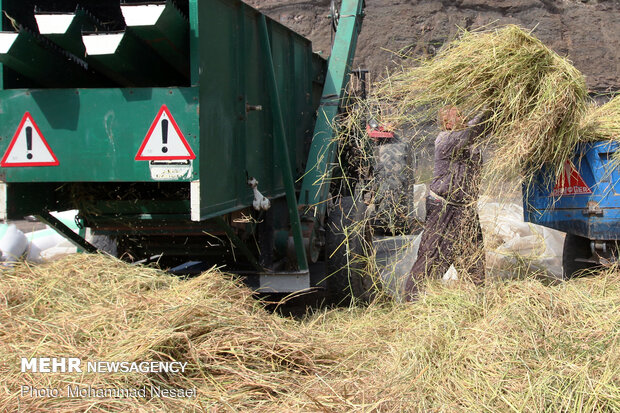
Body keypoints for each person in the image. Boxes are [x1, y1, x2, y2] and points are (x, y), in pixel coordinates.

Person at [404, 106, 488, 301]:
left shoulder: (467, 138)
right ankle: (414, 301)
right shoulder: (446, 139)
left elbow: (478, 126)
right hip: (444, 207)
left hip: (466, 207)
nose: (463, 116)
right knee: (433, 255)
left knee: (473, 256)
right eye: (458, 115)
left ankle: (477, 300)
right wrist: (489, 109)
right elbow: (476, 129)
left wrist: (494, 106)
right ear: (448, 123)